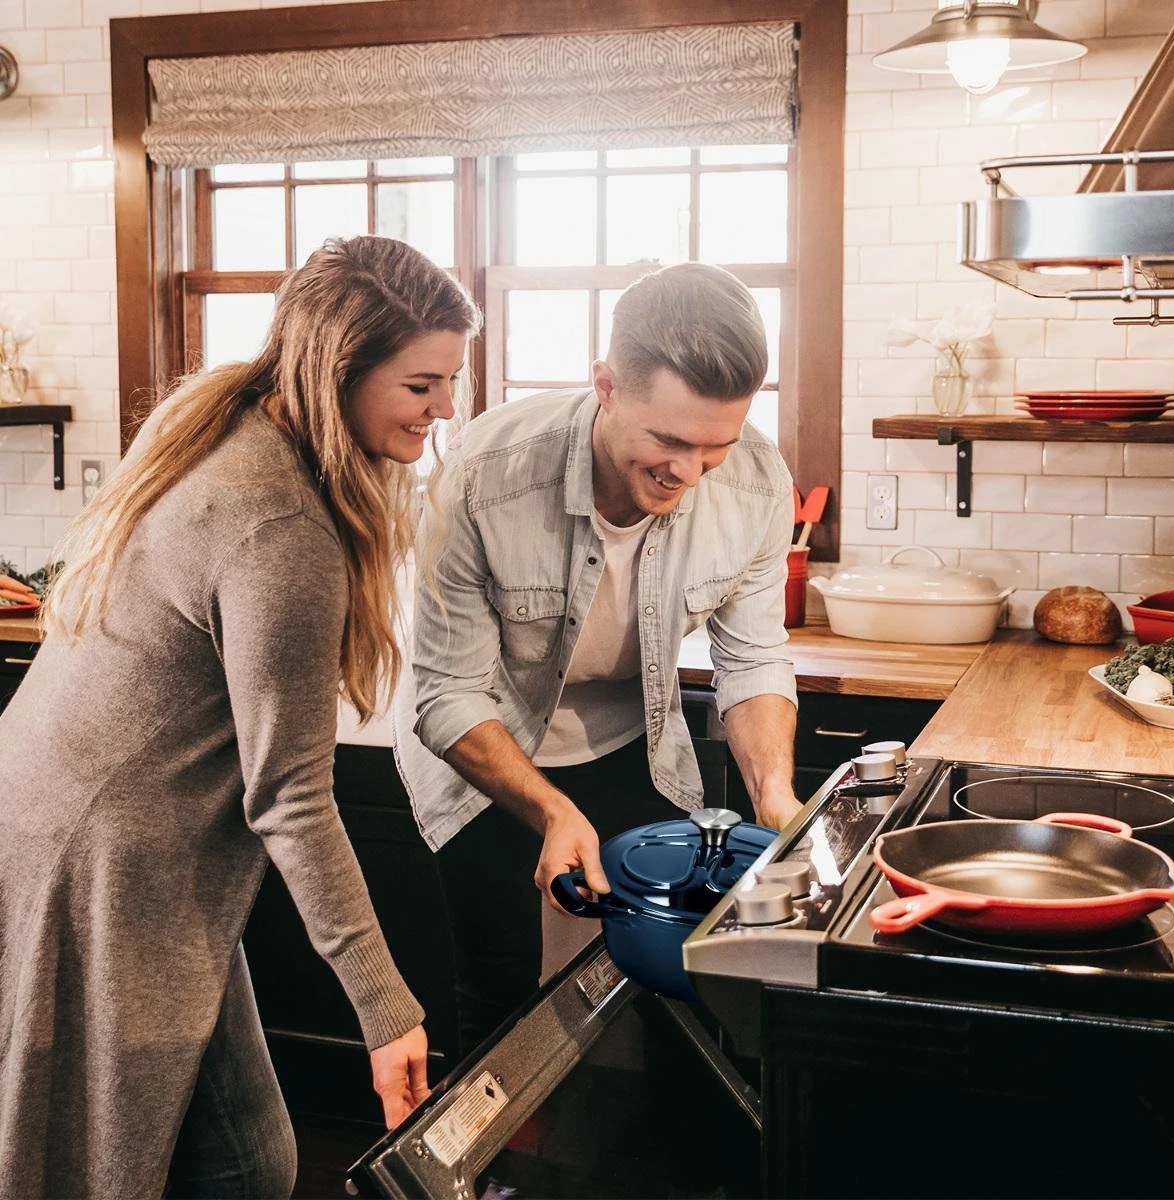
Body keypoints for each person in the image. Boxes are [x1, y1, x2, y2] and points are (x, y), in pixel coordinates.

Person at [0, 235, 481, 1200]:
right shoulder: (280, 521)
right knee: (222, 1166)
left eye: (451, 381)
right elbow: (292, 799)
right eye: (422, 383)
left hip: (65, 822)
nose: (445, 408)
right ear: (339, 366)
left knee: (236, 1159)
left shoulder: (221, 418)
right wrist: (388, 1014)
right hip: (110, 865)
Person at [394, 261, 801, 1059]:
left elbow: (751, 657)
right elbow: (447, 692)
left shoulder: (756, 481)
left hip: (632, 742)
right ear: (607, 385)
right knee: (503, 987)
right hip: (485, 745)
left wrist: (775, 794)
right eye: (669, 441)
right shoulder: (484, 473)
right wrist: (550, 811)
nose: (687, 474)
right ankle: (496, 1180)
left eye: (714, 448)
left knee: (670, 981)